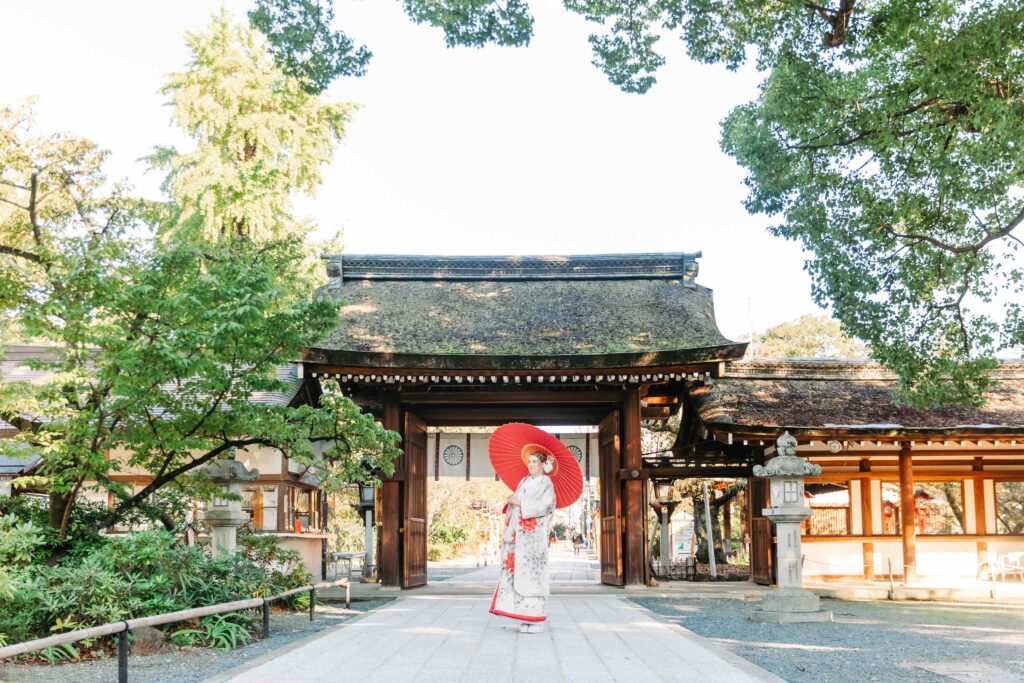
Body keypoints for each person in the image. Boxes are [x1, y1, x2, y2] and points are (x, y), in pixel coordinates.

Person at [489, 451, 556, 634]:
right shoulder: (524, 481)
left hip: (533, 537)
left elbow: (546, 507)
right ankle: (523, 617)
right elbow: (516, 502)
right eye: (529, 461)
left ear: (543, 464)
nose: (531, 464)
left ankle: (536, 620)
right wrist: (512, 502)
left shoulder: (546, 483)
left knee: (533, 577)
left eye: (535, 461)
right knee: (518, 576)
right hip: (517, 535)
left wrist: (519, 503)